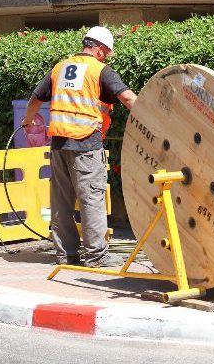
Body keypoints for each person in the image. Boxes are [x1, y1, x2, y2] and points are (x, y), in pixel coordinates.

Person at [22, 26, 137, 267]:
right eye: (107, 52)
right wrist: (150, 116)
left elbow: (35, 98)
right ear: (101, 50)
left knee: (62, 202)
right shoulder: (100, 70)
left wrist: (28, 120)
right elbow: (127, 98)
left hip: (59, 144)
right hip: (86, 144)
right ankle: (97, 256)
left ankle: (67, 255)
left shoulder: (60, 67)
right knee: (91, 199)